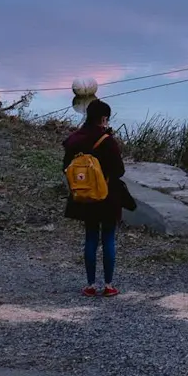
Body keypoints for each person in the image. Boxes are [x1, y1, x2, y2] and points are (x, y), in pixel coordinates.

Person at [62, 98, 132, 296]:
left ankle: (91, 285)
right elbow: (119, 171)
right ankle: (109, 285)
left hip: (84, 196)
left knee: (91, 237)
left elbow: (66, 168)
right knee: (108, 237)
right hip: (107, 197)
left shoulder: (74, 139)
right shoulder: (107, 141)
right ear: (103, 118)